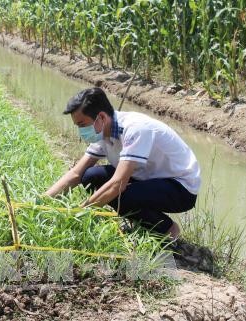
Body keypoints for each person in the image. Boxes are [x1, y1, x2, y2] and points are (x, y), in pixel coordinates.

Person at [45, 87, 200, 239]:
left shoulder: (136, 129)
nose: (80, 130)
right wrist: (44, 200)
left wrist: (80, 212)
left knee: (120, 195)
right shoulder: (102, 132)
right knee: (90, 177)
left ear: (102, 117)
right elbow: (76, 173)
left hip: (180, 187)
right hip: (146, 177)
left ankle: (167, 229)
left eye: (82, 124)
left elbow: (118, 183)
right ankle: (142, 218)